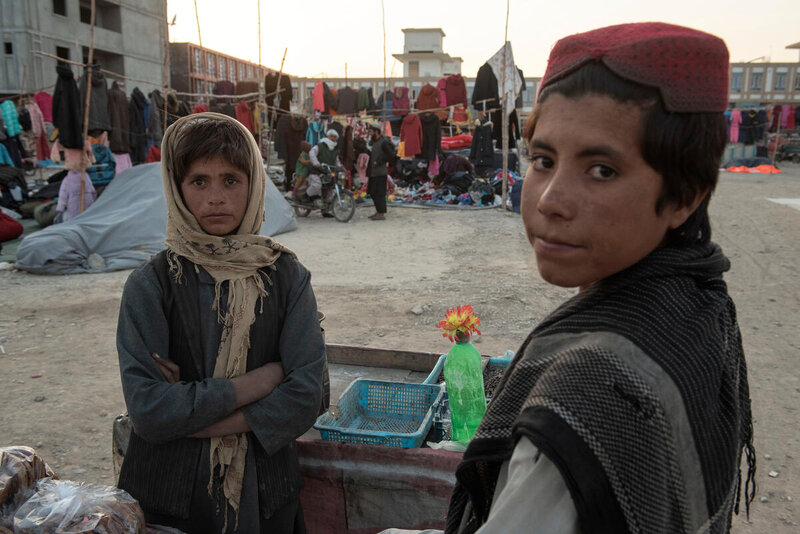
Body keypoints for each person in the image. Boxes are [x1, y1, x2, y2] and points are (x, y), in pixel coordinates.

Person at [385, 22, 756, 534]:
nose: (550, 200)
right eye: (543, 159)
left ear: (684, 196)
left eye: (601, 169)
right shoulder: (695, 297)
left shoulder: (589, 401)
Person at [116, 112, 326, 534]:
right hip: (170, 500)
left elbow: (309, 394)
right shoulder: (151, 285)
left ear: (253, 186)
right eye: (199, 182)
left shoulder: (285, 277)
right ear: (177, 189)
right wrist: (257, 384)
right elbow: (150, 411)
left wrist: (192, 415)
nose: (215, 197)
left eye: (230, 180)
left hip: (266, 493)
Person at [366, 124, 396, 221]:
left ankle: (381, 213)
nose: (370, 134)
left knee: (380, 193)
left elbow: (391, 156)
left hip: (380, 172)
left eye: (371, 132)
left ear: (376, 132)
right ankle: (378, 211)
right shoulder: (375, 142)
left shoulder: (384, 142)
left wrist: (380, 161)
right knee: (373, 192)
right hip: (373, 172)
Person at [305, 129, 340, 200]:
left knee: (331, 187)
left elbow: (336, 160)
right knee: (317, 185)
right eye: (332, 136)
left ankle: (326, 206)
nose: (333, 138)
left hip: (327, 171)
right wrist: (316, 163)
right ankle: (305, 196)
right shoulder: (320, 145)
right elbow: (312, 153)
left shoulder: (335, 149)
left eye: (335, 137)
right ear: (328, 136)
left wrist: (340, 167)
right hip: (316, 170)